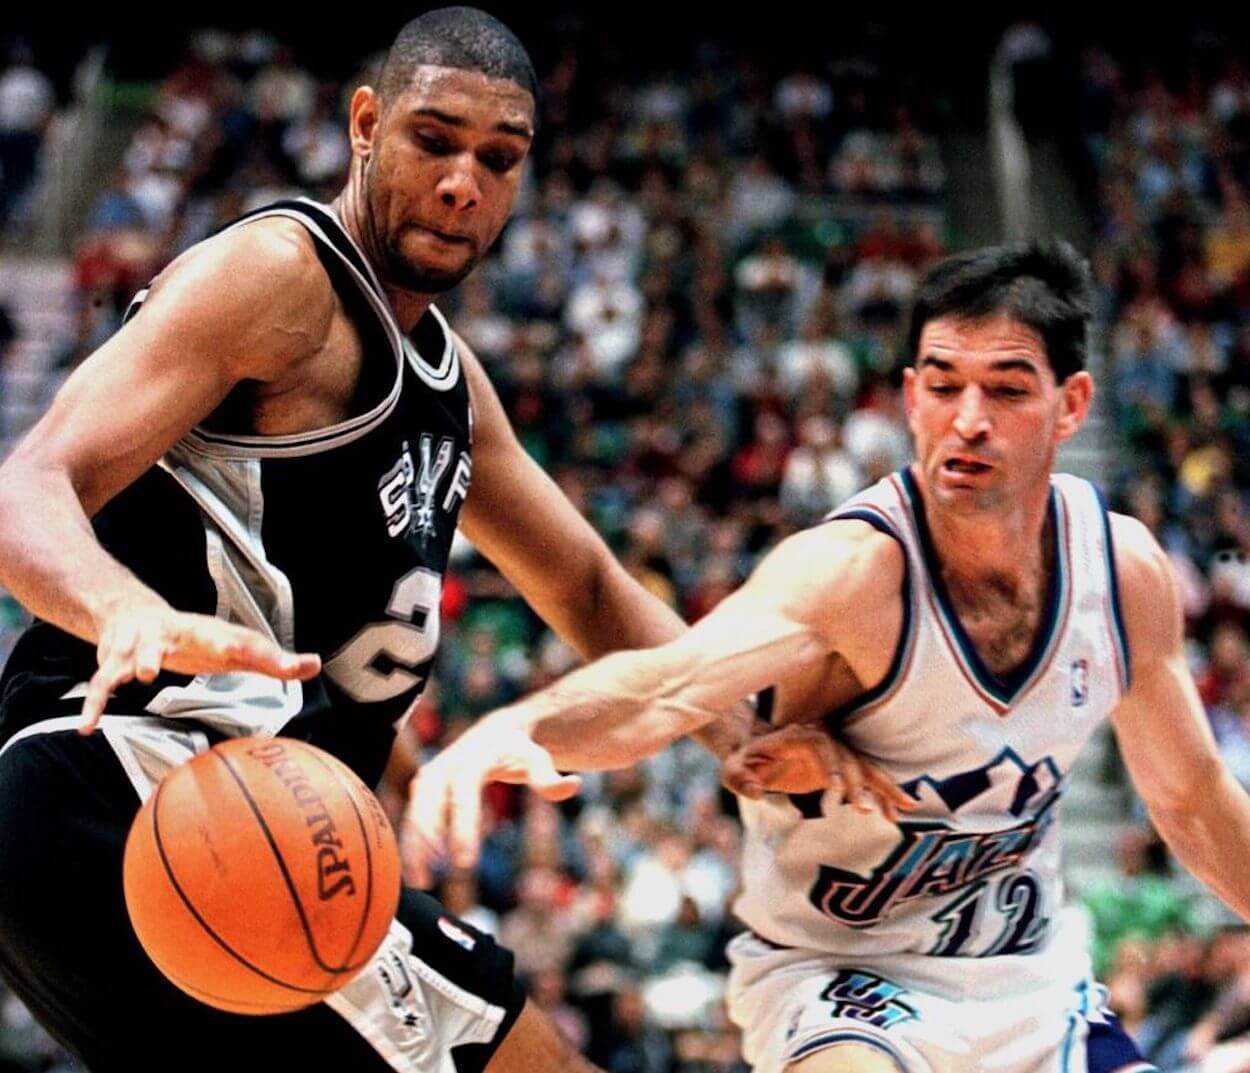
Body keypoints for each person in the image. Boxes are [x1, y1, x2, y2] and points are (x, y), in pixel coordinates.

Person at [0, 11, 903, 1073]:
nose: (463, 181)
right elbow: (28, 483)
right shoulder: (280, 277)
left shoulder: (447, 383)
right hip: (135, 785)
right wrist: (127, 612)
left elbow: (589, 588)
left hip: (193, 830)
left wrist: (753, 738)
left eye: (499, 158)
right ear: (367, 126)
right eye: (435, 140)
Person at [406, 241, 1250, 1073]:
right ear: (911, 397)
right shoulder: (855, 570)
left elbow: (1195, 798)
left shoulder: (1121, 571)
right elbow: (669, 688)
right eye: (944, 384)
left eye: (1006, 388)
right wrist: (518, 725)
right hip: (848, 983)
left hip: (1028, 983)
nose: (969, 418)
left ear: (1071, 407)